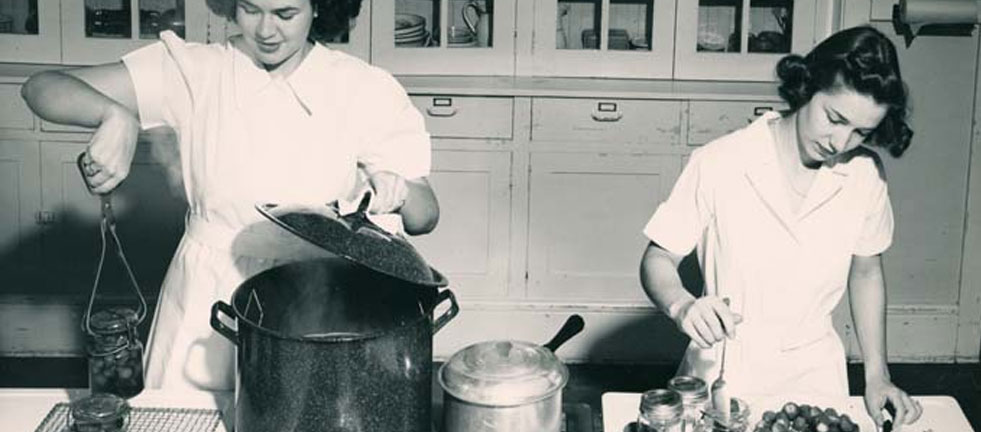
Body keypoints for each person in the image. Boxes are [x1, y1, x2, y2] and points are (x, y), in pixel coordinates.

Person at [21, 0, 439, 391]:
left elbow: (425, 215)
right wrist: (116, 115)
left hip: (317, 302)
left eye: (285, 13)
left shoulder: (362, 87)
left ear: (319, 6)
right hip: (206, 296)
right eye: (250, 9)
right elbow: (41, 87)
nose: (266, 30)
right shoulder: (195, 71)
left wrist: (399, 191)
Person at [639, 26, 923, 429]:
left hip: (815, 374)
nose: (840, 142)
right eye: (834, 118)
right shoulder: (721, 161)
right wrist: (682, 305)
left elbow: (866, 270)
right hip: (725, 373)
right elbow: (658, 258)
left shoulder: (864, 175)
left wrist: (877, 375)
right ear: (808, 85)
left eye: (860, 131)